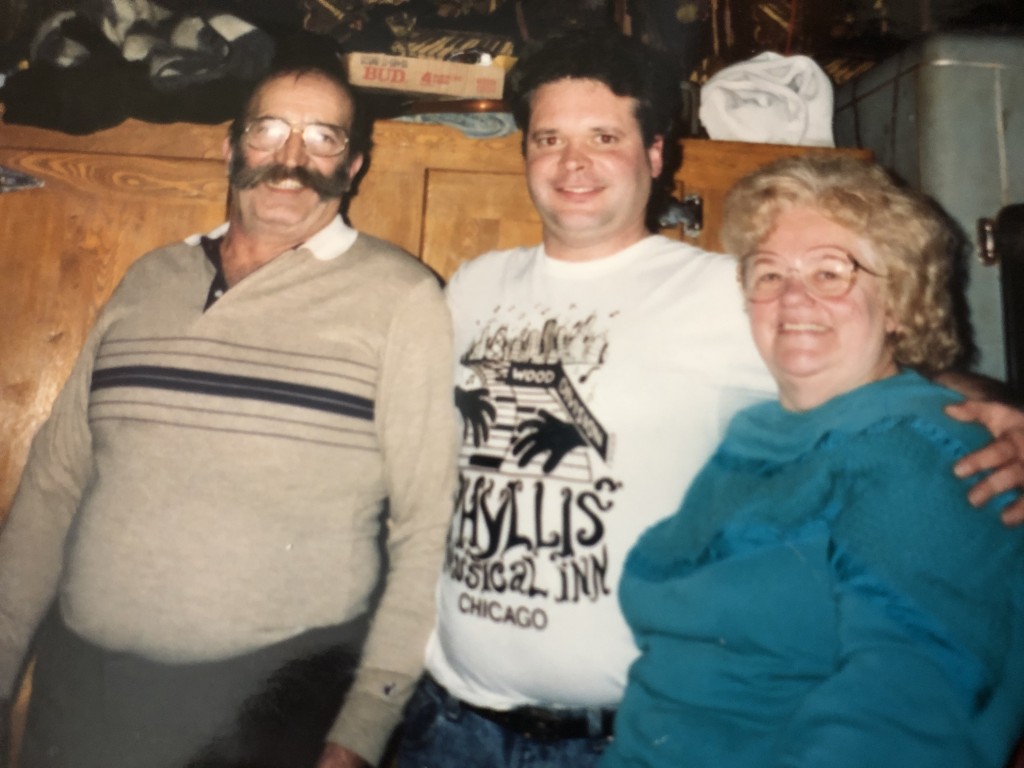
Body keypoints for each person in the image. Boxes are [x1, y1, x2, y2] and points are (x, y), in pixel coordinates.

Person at [395, 26, 1024, 768]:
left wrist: (1003, 414)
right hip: (449, 724)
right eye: (547, 138)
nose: (572, 162)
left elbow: (878, 368)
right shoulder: (473, 287)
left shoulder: (722, 294)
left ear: (655, 154)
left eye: (603, 136)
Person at [0, 53, 456, 768]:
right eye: (269, 129)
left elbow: (432, 524)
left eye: (323, 138)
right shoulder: (149, 278)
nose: (292, 158)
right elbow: (53, 490)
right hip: (82, 697)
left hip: (268, 720)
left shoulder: (403, 299)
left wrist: (364, 725)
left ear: (355, 164)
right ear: (230, 145)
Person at [602, 155, 1024, 768]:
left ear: (902, 301)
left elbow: (899, 727)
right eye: (768, 274)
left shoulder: (922, 452)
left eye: (832, 272)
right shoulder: (760, 432)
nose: (793, 297)